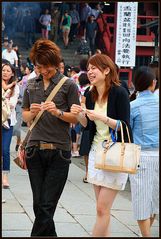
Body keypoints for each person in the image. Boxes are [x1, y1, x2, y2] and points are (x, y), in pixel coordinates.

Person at [21, 39, 80, 237]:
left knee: (47, 205)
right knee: (39, 204)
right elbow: (26, 116)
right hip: (34, 149)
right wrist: (33, 112)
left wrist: (57, 113)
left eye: (46, 67)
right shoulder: (31, 84)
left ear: (55, 63)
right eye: (39, 66)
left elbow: (77, 117)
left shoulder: (69, 85)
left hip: (59, 152)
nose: (43, 71)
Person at [70, 53, 132, 236]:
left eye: (94, 68)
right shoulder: (90, 93)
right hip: (97, 152)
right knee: (101, 210)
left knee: (101, 210)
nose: (90, 72)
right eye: (88, 69)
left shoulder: (120, 92)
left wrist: (101, 117)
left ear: (106, 70)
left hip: (115, 153)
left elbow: (125, 126)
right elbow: (88, 126)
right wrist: (80, 114)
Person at [129, 66, 159, 237]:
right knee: (155, 200)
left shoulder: (133, 105)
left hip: (141, 156)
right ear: (153, 83)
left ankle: (146, 235)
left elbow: (127, 132)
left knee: (141, 200)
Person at [2, 62, 19, 189]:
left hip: (7, 121)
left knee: (5, 150)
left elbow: (12, 104)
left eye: (8, 70)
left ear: (12, 73)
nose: (5, 72)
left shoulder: (15, 87)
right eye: (3, 70)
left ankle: (5, 176)